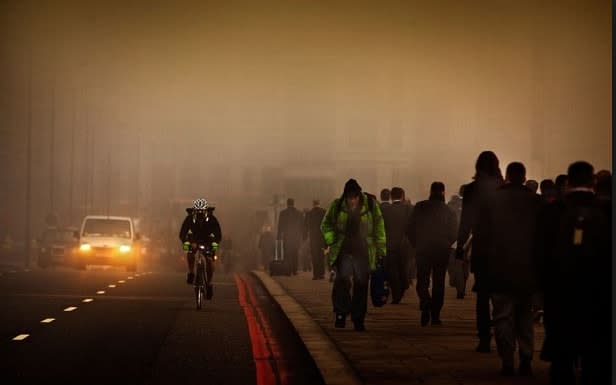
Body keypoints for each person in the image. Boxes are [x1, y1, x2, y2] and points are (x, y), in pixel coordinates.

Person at [538, 161, 612, 385]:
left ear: (568, 183)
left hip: (561, 291)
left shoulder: (553, 210)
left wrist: (541, 287)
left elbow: (540, 250)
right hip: (600, 292)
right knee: (596, 355)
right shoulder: (606, 209)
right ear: (593, 182)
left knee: (562, 354)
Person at [484, 162, 541, 376]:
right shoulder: (535, 201)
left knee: (502, 316)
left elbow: (484, 236)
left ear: (507, 176)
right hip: (527, 269)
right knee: (525, 315)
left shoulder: (493, 200)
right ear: (524, 177)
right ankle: (526, 355)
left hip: (500, 267)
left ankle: (507, 359)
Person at [321, 179, 386, 331]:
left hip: (364, 250)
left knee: (361, 284)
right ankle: (341, 314)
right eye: (349, 198)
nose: (352, 201)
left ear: (359, 195)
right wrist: (332, 240)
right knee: (342, 282)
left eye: (354, 197)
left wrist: (381, 250)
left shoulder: (371, 205)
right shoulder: (337, 205)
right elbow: (326, 224)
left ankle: (358, 318)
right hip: (343, 249)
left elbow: (379, 227)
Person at [456, 150, 504, 353]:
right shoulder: (503, 188)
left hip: (482, 246)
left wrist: (460, 245)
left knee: (482, 295)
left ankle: (484, 336)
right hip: (503, 247)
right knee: (501, 295)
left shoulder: (471, 190)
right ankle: (503, 334)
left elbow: (466, 220)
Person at [408, 182, 457, 326]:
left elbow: (409, 228)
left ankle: (425, 302)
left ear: (430, 191)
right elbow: (454, 232)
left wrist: (415, 243)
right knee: (439, 282)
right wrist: (447, 242)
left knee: (422, 280)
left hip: (423, 248)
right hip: (441, 250)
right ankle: (435, 315)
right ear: (443, 192)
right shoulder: (449, 210)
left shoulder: (420, 207)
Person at [179, 198, 222, 299]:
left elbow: (218, 234)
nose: (200, 215)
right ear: (194, 211)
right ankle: (191, 272)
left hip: (208, 242)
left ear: (206, 211)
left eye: (202, 212)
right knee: (190, 253)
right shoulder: (189, 219)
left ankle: (210, 283)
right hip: (194, 240)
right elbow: (182, 234)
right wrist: (186, 242)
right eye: (198, 212)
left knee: (209, 260)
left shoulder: (212, 219)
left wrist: (214, 244)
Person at [382, 187, 412, 303]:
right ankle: (404, 284)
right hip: (405, 244)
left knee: (392, 270)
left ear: (391, 196)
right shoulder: (409, 208)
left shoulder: (386, 210)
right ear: (402, 195)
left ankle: (396, 293)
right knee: (403, 267)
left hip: (389, 244)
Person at [277, 198, 304, 275]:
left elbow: (280, 226)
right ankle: (294, 270)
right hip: (296, 237)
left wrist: (278, 237)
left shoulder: (283, 213)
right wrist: (301, 236)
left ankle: (287, 270)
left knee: (287, 254)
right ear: (293, 203)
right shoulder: (299, 213)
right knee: (295, 253)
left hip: (287, 237)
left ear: (287, 203)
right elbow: (302, 226)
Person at [304, 199, 327, 280]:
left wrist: (305, 237)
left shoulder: (309, 213)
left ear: (313, 204)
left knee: (314, 256)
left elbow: (305, 226)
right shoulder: (324, 212)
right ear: (319, 203)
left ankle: (316, 274)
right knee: (321, 256)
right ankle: (321, 274)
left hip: (313, 237)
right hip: (322, 237)